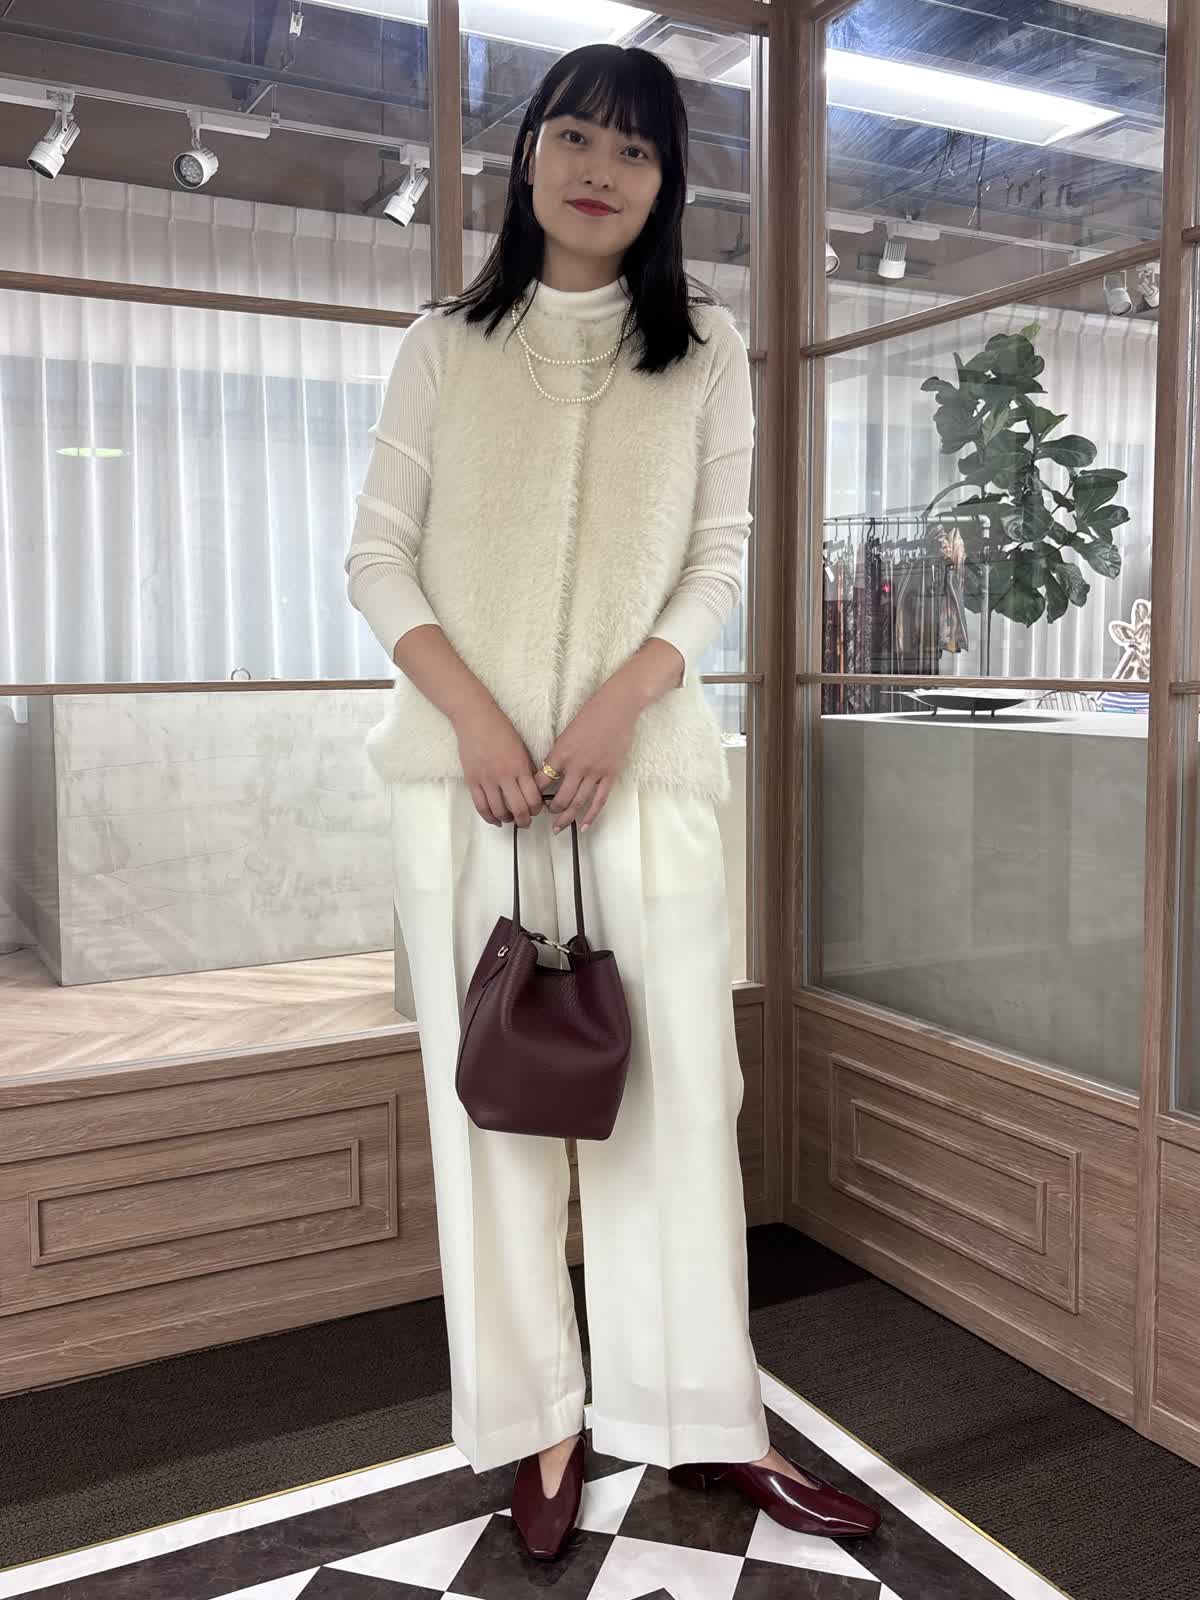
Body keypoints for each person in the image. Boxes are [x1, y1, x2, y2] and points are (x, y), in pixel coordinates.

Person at [344, 40, 880, 1563]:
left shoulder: (706, 348)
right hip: (467, 793)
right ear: (529, 154)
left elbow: (719, 560)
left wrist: (619, 703)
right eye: (575, 135)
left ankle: (713, 1420)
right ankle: (542, 1425)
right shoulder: (443, 345)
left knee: (679, 1108)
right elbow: (376, 559)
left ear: (665, 182)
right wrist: (477, 720)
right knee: (499, 1122)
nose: (601, 167)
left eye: (635, 148)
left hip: (643, 778)